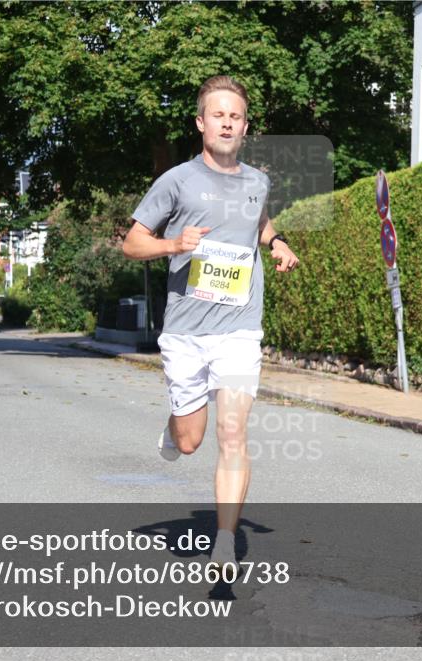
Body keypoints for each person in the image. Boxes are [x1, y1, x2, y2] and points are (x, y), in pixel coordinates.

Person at [122, 75, 300, 573]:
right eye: (217, 114)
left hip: (240, 327)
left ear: (245, 127)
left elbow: (259, 220)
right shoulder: (176, 181)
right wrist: (173, 245)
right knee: (190, 441)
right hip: (185, 330)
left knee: (233, 430)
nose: (226, 122)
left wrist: (276, 241)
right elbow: (132, 243)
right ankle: (176, 422)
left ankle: (224, 541)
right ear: (201, 123)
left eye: (235, 116)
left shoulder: (258, 181)